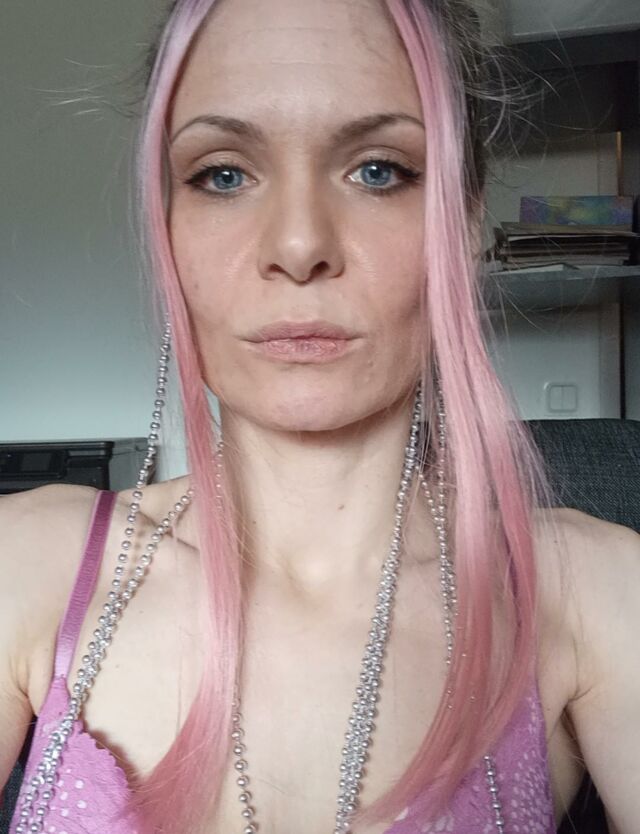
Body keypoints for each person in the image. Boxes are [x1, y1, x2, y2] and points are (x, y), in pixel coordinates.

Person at [1, 0, 639, 832]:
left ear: (463, 223)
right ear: (167, 229)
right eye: (222, 175)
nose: (299, 246)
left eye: (378, 170)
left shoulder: (595, 592)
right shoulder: (25, 565)